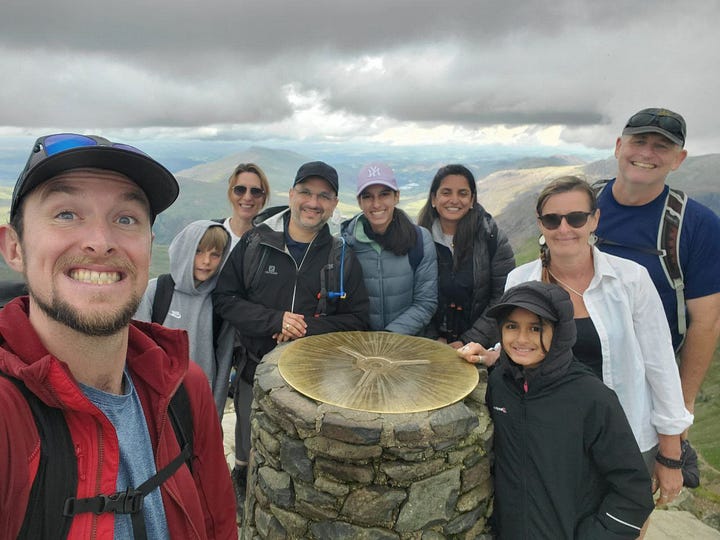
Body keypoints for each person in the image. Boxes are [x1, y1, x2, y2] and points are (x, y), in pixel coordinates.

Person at [0, 133, 237, 538]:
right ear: (14, 247)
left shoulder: (184, 389)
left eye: (126, 219)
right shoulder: (9, 417)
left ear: (149, 246)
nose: (100, 242)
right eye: (66, 214)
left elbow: (218, 525)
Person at [478, 176, 691, 513]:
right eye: (552, 219)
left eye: (576, 218)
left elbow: (659, 363)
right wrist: (489, 357)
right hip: (553, 441)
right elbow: (519, 349)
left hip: (628, 438)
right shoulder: (521, 280)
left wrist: (670, 454)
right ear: (541, 224)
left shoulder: (630, 280)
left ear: (594, 219)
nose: (564, 228)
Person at [213, 160, 369, 508]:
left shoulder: (341, 256)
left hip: (316, 379)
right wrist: (274, 320)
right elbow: (225, 299)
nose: (313, 203)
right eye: (306, 193)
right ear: (292, 194)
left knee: (302, 453)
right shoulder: (256, 242)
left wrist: (303, 328)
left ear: (333, 204)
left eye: (324, 196)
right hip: (255, 368)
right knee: (247, 439)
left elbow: (358, 319)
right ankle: (243, 489)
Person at [458, 281, 654, 539]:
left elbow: (634, 491)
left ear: (560, 331)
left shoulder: (591, 397)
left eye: (536, 328)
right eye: (511, 326)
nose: (522, 339)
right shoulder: (500, 384)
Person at [595, 107, 720, 421]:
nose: (646, 153)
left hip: (649, 380)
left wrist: (682, 404)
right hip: (576, 366)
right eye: (638, 141)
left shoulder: (698, 225)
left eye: (661, 146)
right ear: (618, 146)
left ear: (679, 159)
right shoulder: (583, 204)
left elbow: (707, 322)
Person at [135, 220, 234, 417]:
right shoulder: (157, 291)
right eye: (198, 251)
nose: (206, 261)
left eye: (215, 254)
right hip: (157, 401)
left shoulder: (221, 303)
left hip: (200, 403)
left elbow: (224, 363)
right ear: (185, 249)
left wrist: (215, 414)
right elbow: (137, 352)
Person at [417, 164, 515, 358]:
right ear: (434, 199)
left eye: (462, 193)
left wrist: (469, 340)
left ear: (472, 200)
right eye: (446, 192)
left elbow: (502, 297)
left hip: (480, 349)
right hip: (432, 346)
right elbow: (414, 296)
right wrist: (434, 338)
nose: (454, 200)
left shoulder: (491, 238)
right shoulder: (417, 240)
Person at [341, 162, 437, 335]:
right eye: (368, 196)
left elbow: (425, 302)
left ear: (396, 197)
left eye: (384, 194)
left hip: (408, 343)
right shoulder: (344, 245)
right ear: (359, 202)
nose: (376, 204)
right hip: (362, 345)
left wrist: (388, 337)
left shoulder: (420, 240)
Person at [220, 162, 270, 249]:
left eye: (255, 191)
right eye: (240, 190)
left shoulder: (268, 245)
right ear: (230, 194)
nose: (247, 197)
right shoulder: (210, 234)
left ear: (263, 198)